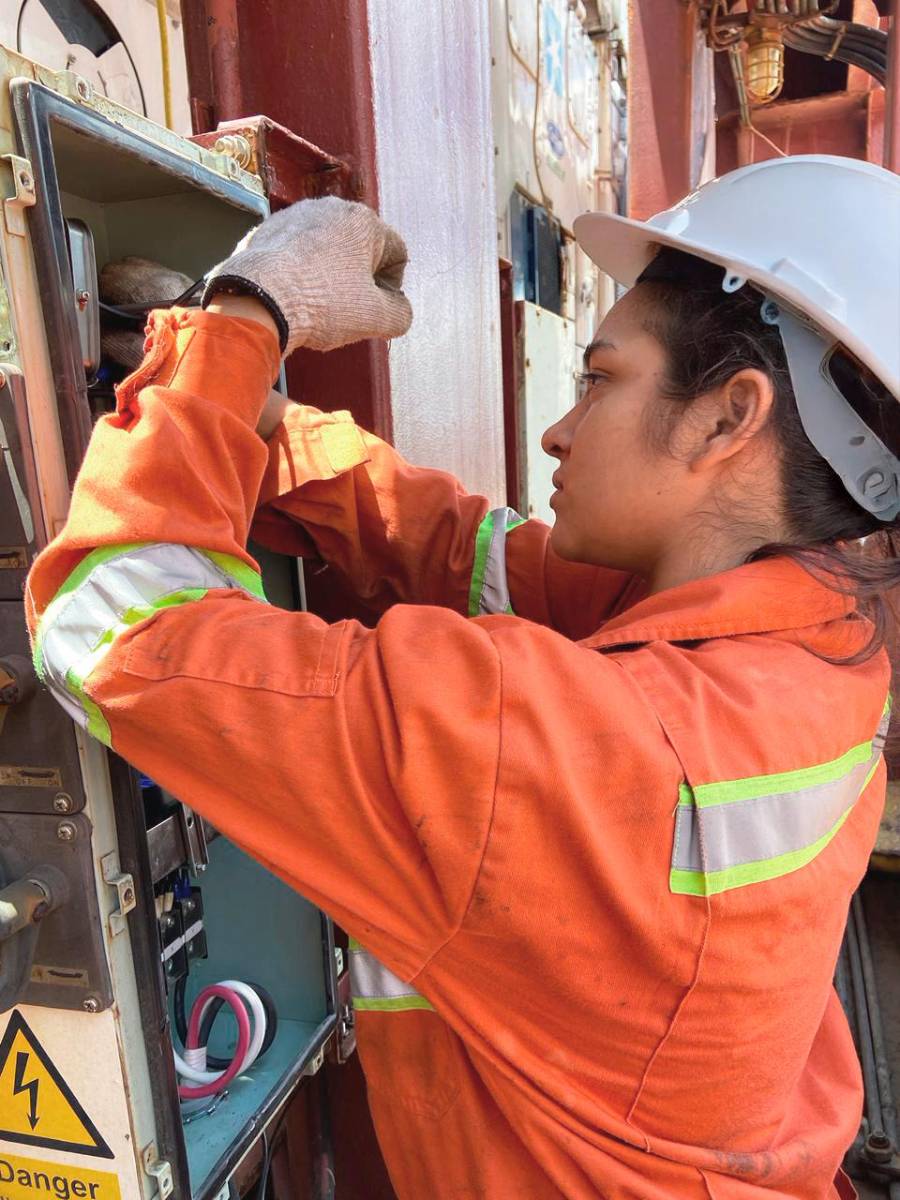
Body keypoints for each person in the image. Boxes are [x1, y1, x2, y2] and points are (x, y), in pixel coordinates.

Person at [27, 156, 899, 1200]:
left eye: (599, 378)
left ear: (727, 419)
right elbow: (479, 556)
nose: (558, 430)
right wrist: (246, 415)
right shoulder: (819, 638)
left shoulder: (546, 743)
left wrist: (244, 318)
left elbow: (110, 619)